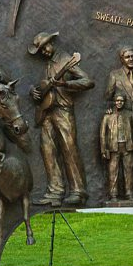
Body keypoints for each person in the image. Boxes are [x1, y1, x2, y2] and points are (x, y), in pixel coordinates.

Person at [27, 31, 94, 207]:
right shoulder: (48, 64)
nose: (44, 52)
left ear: (52, 43)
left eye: (45, 47)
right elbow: (43, 87)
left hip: (63, 110)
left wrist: (65, 84)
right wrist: (34, 91)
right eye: (41, 50)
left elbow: (88, 81)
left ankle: (78, 191)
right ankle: (55, 191)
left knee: (69, 149)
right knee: (47, 150)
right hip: (47, 112)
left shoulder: (65, 59)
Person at [98, 92, 133, 201]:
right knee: (113, 171)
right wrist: (103, 149)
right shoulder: (107, 116)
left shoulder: (130, 114)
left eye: (121, 101)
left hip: (127, 146)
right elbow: (102, 134)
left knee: (129, 171)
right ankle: (113, 195)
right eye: (117, 100)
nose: (119, 103)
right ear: (114, 102)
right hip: (113, 147)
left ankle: (129, 194)